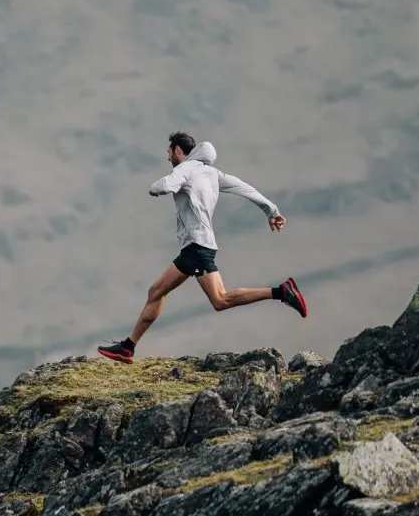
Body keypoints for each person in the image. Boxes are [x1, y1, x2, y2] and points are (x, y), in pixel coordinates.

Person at [98, 131, 307, 364]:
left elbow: (165, 185)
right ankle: (127, 347)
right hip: (199, 246)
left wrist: (154, 188)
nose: (168, 157)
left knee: (216, 299)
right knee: (162, 292)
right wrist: (272, 211)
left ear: (179, 150)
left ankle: (281, 292)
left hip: (197, 247)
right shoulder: (213, 174)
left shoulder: (185, 169)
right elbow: (245, 188)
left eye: (169, 151)